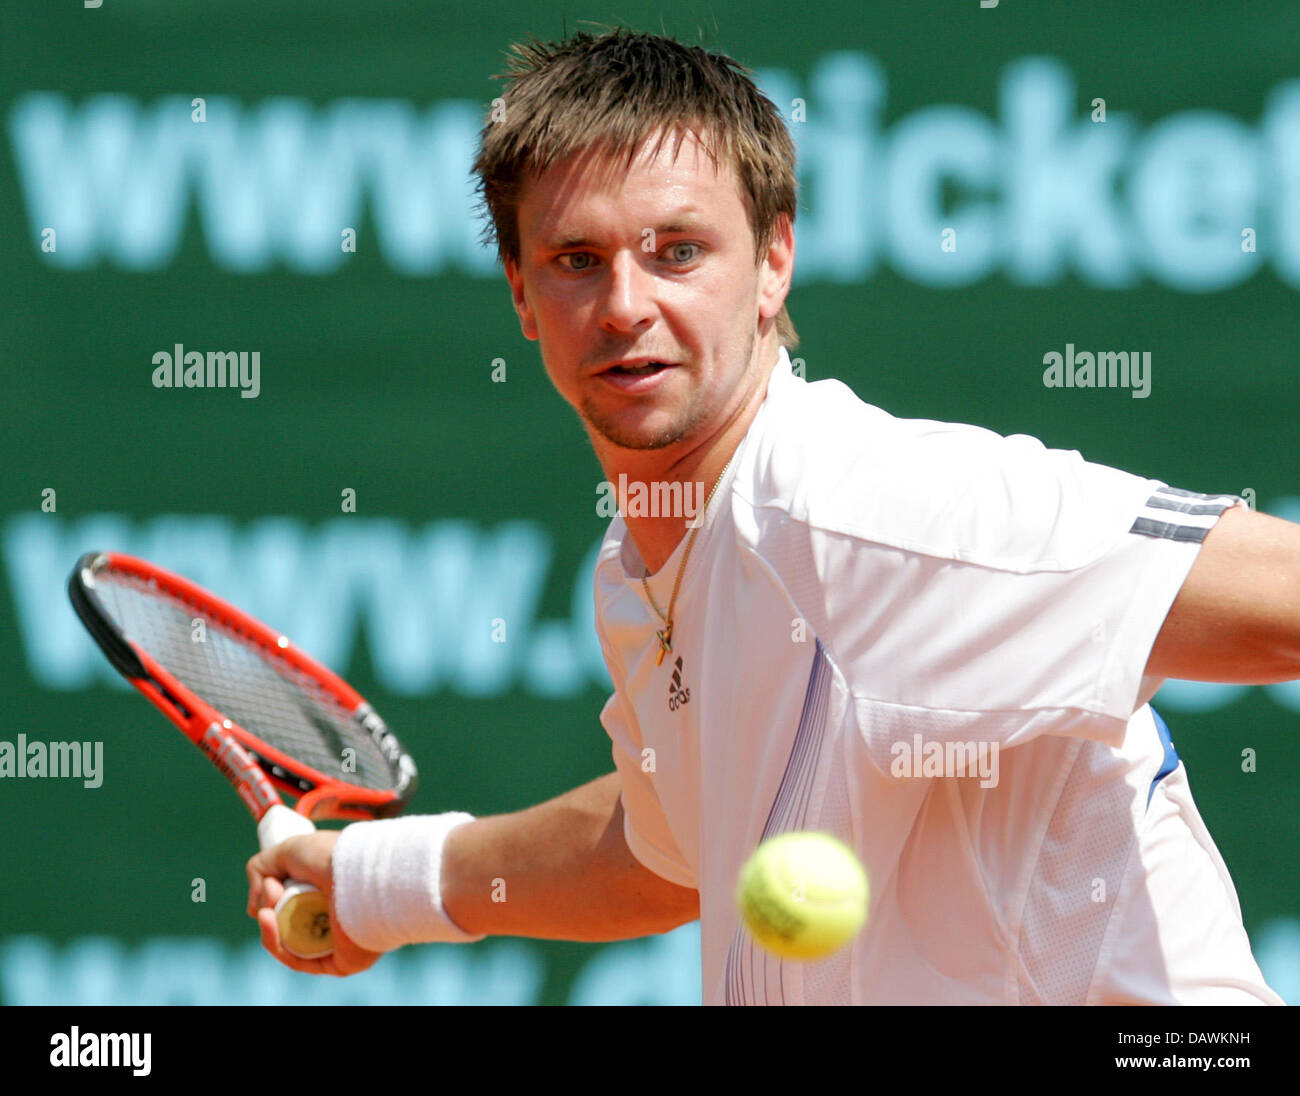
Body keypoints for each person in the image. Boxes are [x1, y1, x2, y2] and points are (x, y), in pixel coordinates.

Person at [247, 28, 1293, 1005]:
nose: (623, 306)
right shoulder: (647, 563)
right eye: (577, 260)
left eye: (677, 251)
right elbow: (667, 850)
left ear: (773, 260)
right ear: (521, 294)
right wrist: (382, 879)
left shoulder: (868, 515)